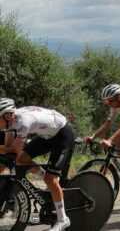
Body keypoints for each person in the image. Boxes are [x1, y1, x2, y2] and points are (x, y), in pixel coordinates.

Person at [0, 98, 75, 231]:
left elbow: (14, 150)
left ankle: (63, 219)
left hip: (63, 134)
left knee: (50, 179)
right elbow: (8, 147)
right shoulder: (9, 122)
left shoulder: (23, 122)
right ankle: (48, 179)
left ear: (8, 115)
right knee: (22, 159)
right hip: (47, 135)